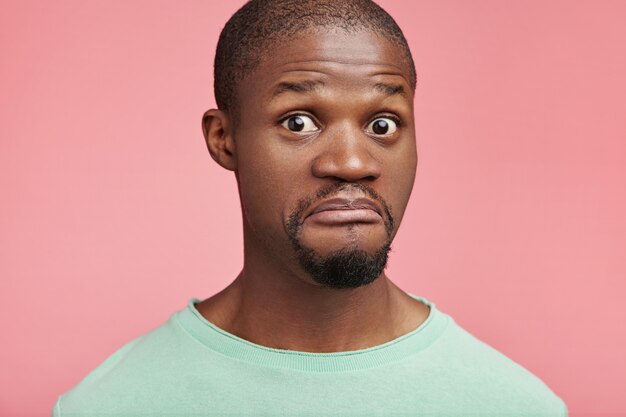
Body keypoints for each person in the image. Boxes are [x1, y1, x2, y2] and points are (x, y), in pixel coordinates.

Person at [53, 1, 568, 416]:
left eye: (383, 124)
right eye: (299, 121)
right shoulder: (108, 404)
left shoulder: (513, 405)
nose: (351, 162)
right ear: (223, 139)